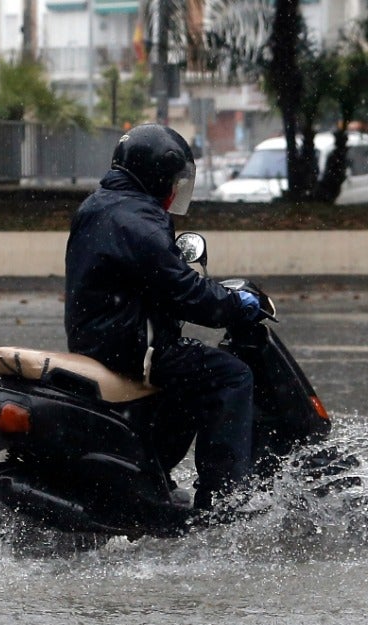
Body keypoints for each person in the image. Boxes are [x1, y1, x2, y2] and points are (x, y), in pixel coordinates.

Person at [64, 123, 263, 513]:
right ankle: (222, 502)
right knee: (230, 375)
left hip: (100, 340)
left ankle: (154, 475)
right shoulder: (136, 221)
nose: (175, 190)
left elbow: (150, 280)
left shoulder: (100, 206)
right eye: (173, 180)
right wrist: (237, 304)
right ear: (157, 176)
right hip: (134, 348)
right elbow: (185, 290)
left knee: (189, 379)